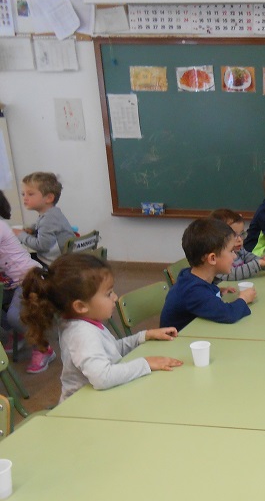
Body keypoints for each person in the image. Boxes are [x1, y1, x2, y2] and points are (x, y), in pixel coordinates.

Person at [20, 253, 183, 403]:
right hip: (82, 408)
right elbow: (102, 377)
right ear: (80, 306)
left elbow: (111, 351)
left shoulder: (86, 323)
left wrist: (143, 336)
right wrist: (145, 363)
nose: (115, 297)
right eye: (108, 293)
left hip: (100, 399)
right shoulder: (82, 334)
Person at [161, 217, 256, 332]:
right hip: (179, 340)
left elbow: (202, 293)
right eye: (231, 251)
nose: (235, 256)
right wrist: (244, 298)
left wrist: (216, 291)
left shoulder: (191, 276)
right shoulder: (193, 290)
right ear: (212, 258)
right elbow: (228, 314)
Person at [0, 191, 56, 373]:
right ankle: (17, 333)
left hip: (30, 279)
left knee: (14, 316)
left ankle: (43, 347)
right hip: (12, 283)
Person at [12, 172, 75, 267]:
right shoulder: (52, 214)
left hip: (54, 263)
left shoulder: (49, 219)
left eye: (30, 194)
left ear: (49, 198)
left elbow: (42, 246)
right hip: (55, 258)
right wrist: (31, 229)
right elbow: (40, 225)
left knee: (16, 262)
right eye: (23, 194)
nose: (25, 198)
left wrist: (21, 235)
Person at [209, 208, 265, 284]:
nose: (240, 239)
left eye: (242, 234)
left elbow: (250, 258)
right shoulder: (216, 257)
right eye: (234, 235)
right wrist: (259, 264)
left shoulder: (239, 250)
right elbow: (232, 274)